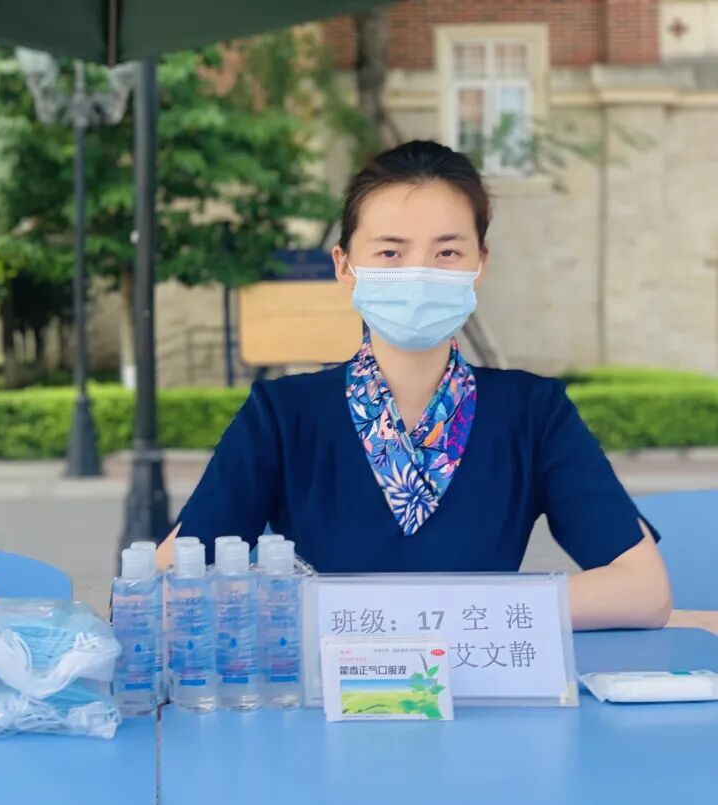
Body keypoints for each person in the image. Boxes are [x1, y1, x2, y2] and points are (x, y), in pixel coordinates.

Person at [156, 140, 672, 631]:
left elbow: (643, 590)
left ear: (480, 264)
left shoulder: (534, 413)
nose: (419, 274)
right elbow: (166, 585)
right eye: (390, 253)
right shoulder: (283, 414)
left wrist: (415, 612)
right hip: (327, 689)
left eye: (447, 253)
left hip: (483, 683)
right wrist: (476, 608)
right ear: (344, 266)